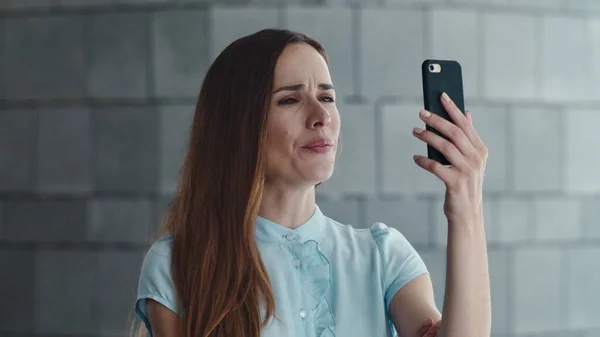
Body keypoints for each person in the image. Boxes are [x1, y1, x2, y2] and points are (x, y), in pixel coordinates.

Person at [133, 29, 491, 337]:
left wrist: (466, 206)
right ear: (237, 125)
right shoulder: (176, 264)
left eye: (326, 97)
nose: (321, 117)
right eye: (290, 99)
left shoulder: (383, 257)